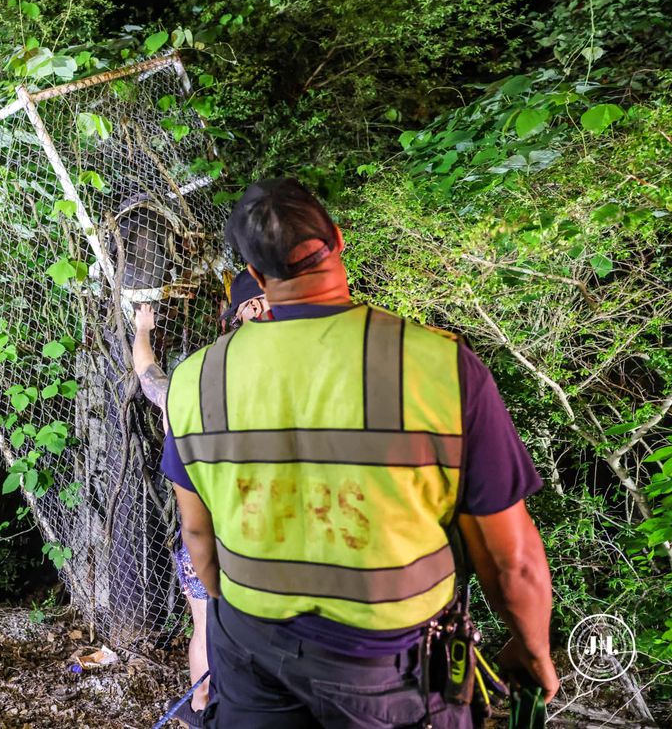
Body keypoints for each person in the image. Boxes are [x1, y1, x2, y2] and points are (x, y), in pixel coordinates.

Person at [163, 178, 558, 727]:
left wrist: (248, 625)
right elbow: (508, 557)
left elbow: (198, 536)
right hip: (390, 668)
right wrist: (532, 648)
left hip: (252, 652)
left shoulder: (196, 379)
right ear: (339, 241)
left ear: (255, 276)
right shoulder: (435, 364)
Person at [133, 271, 267, 725]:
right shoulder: (248, 390)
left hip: (215, 536)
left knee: (212, 627)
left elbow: (146, 373)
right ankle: (208, 707)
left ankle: (205, 708)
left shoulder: (186, 392)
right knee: (223, 629)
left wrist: (142, 330)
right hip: (230, 534)